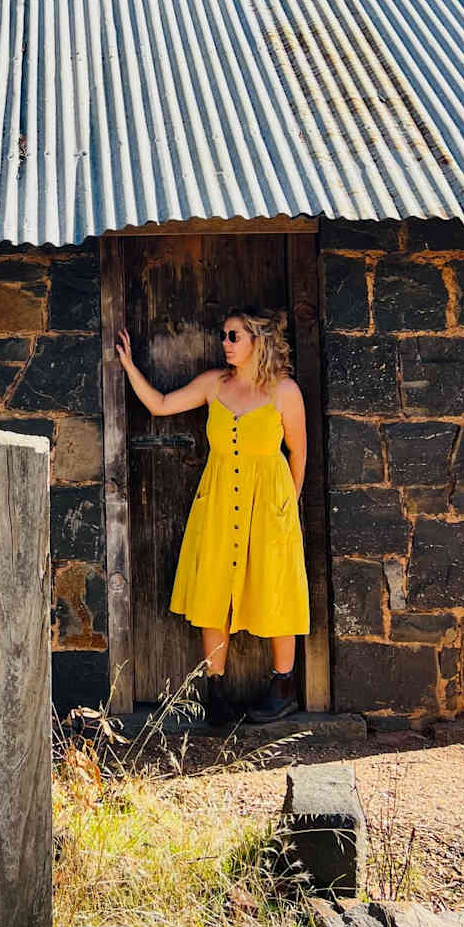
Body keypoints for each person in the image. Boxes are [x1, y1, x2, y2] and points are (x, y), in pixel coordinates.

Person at [114, 307, 310, 727]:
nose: (224, 342)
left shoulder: (284, 391)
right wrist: (129, 366)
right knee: (213, 593)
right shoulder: (213, 385)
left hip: (268, 505)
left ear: (258, 340)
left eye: (233, 336)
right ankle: (216, 691)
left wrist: (286, 507)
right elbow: (161, 404)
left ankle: (283, 688)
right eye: (224, 335)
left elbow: (298, 451)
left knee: (274, 588)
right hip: (218, 503)